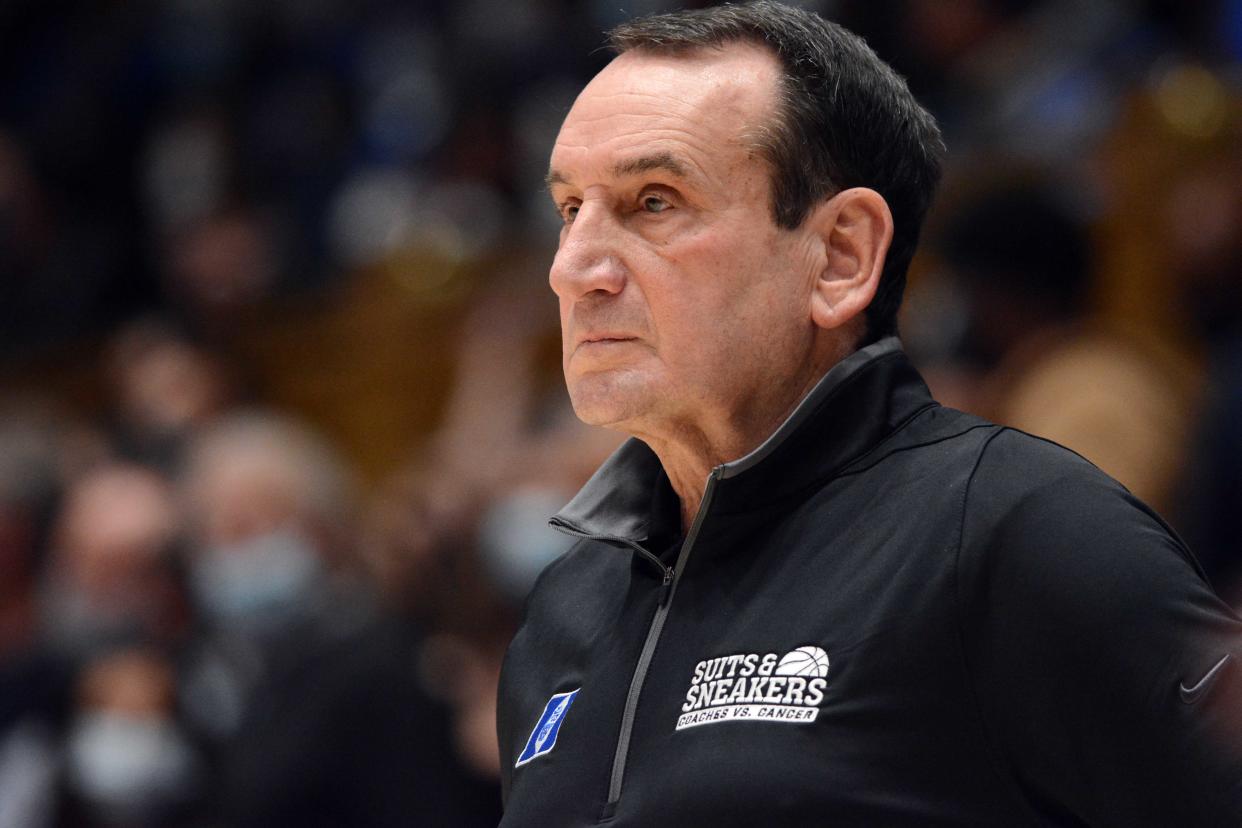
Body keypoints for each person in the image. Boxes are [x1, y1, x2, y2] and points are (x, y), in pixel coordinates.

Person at [495, 3, 1242, 826]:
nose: (575, 269)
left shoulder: (1013, 531)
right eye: (570, 210)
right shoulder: (564, 609)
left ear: (840, 256)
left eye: (654, 201)